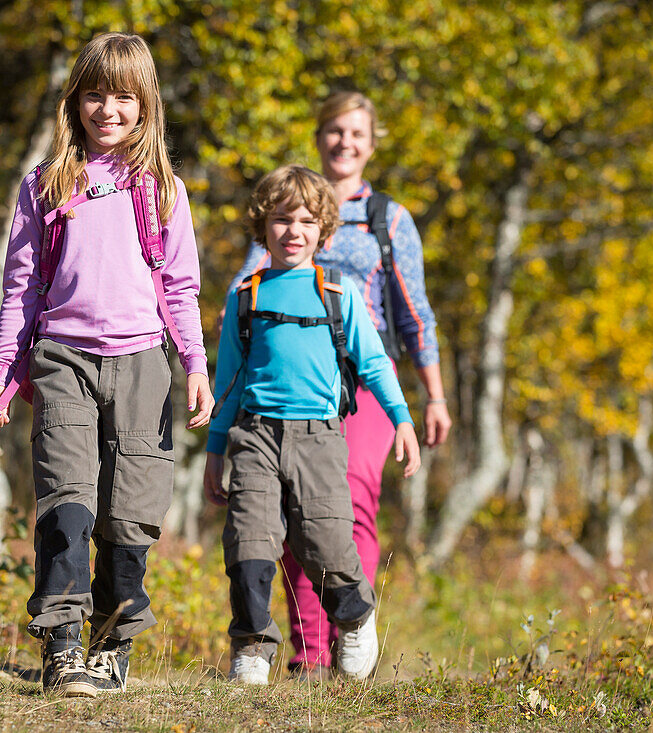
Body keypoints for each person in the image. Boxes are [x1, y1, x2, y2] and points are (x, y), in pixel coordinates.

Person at [0, 33, 214, 698]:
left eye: (123, 96)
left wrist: (195, 365)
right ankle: (62, 646)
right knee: (67, 504)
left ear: (146, 106)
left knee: (129, 516)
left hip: (143, 363)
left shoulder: (163, 190)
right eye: (94, 94)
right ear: (74, 100)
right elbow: (21, 289)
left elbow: (180, 289)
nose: (107, 108)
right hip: (62, 359)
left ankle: (112, 644)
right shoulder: (45, 184)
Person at [226, 91, 452, 680]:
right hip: (284, 386)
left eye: (356, 132)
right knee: (284, 517)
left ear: (371, 144)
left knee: (342, 505)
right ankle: (308, 656)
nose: (344, 142)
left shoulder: (388, 220)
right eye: (334, 130)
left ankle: (352, 633)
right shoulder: (286, 204)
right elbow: (248, 290)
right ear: (320, 136)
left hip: (363, 383)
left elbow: (414, 312)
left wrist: (432, 396)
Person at [203, 165, 420, 685]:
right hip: (253, 436)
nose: (292, 231)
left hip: (319, 438)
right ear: (264, 227)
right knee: (248, 542)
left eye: (305, 220)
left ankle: (355, 616)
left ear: (324, 229)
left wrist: (403, 420)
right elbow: (228, 380)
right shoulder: (246, 296)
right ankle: (252, 647)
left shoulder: (338, 293)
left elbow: (373, 364)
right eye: (281, 219)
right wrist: (215, 450)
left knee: (323, 544)